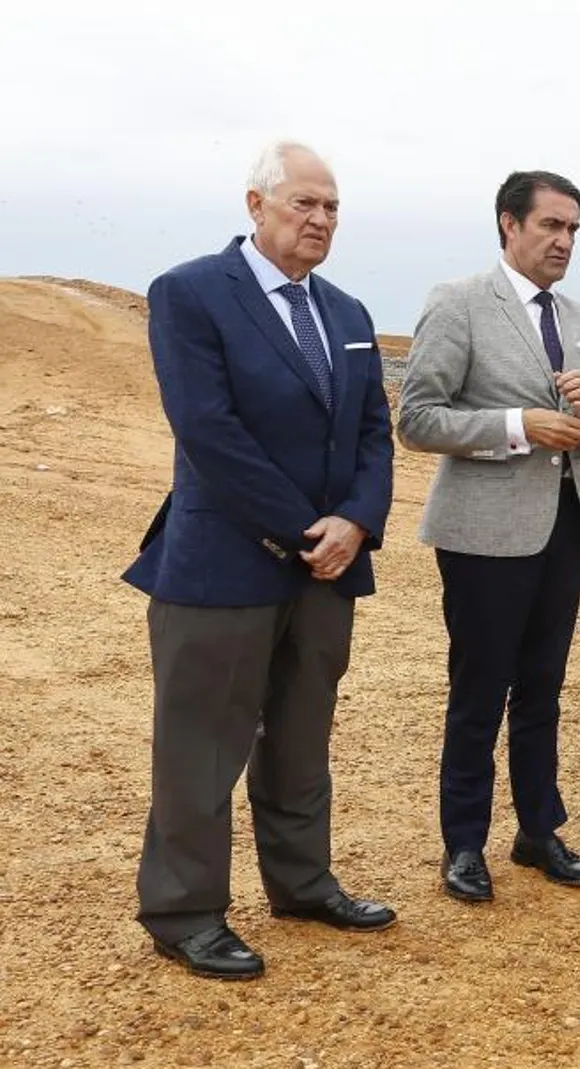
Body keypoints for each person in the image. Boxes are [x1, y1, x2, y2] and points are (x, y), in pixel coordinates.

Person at [123, 140, 397, 980]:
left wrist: (354, 520)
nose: (320, 220)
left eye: (332, 207)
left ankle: (303, 882)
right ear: (256, 205)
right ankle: (185, 910)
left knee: (301, 736)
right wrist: (305, 530)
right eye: (303, 204)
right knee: (202, 742)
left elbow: (372, 436)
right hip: (223, 565)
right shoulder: (191, 293)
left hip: (326, 569)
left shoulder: (347, 313)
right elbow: (209, 431)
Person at [397, 170, 580, 903]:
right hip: (483, 535)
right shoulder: (459, 303)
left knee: (543, 689)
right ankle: (463, 842)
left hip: (564, 530)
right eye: (552, 226)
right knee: (477, 691)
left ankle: (537, 828)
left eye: (573, 230)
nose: (564, 242)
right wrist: (516, 426)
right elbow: (417, 418)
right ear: (509, 224)